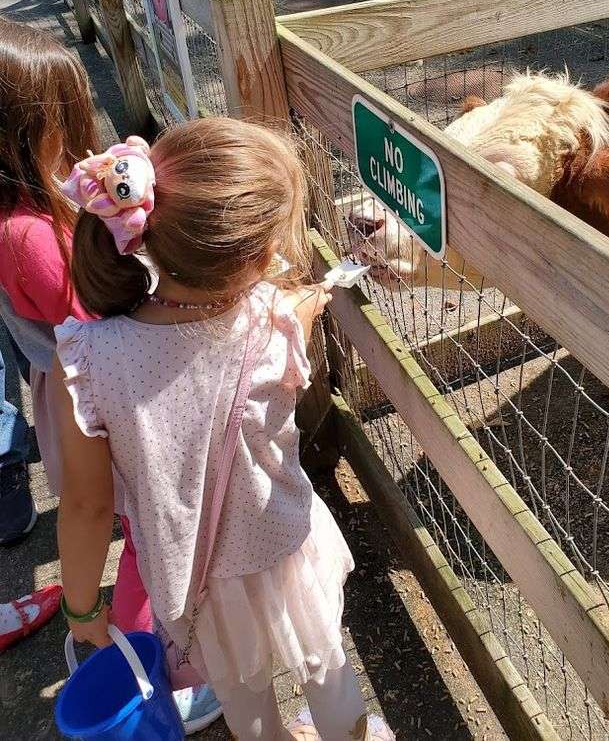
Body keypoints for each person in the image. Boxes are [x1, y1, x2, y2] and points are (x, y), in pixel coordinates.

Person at [54, 117, 396, 741]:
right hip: (284, 549)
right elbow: (291, 314)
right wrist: (307, 303)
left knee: (242, 696)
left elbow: (84, 505)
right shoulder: (277, 325)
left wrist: (82, 609)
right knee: (325, 663)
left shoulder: (89, 357)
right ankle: (350, 733)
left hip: (197, 582)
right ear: (258, 259)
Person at [0, 17, 221, 732]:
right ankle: (137, 653)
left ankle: (120, 640)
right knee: (137, 526)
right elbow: (96, 316)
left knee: (132, 523)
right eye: (64, 123)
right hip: (90, 404)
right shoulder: (28, 234)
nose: (76, 140)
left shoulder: (28, 211)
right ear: (26, 133)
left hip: (78, 390)